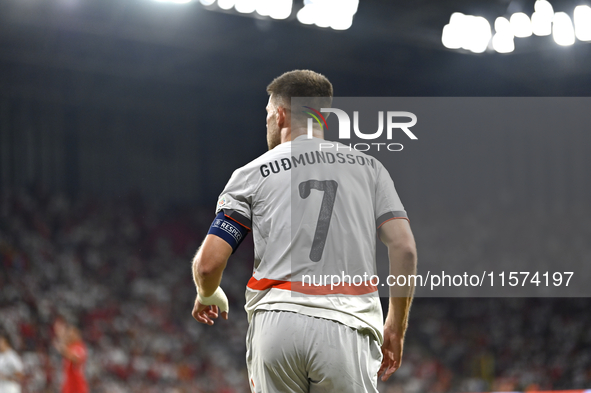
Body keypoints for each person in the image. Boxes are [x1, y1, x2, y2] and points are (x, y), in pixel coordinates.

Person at [191, 70, 417, 392]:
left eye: (268, 113)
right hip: (347, 325)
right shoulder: (371, 169)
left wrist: (207, 292)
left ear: (281, 114)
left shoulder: (250, 174)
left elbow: (208, 264)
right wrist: (395, 324)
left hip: (276, 323)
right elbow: (404, 248)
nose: (267, 121)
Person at [52, 318, 88, 393]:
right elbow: (62, 342)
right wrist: (59, 331)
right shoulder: (70, 347)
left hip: (77, 388)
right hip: (68, 387)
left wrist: (62, 349)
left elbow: (75, 358)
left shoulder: (79, 347)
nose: (69, 335)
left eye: (71, 333)